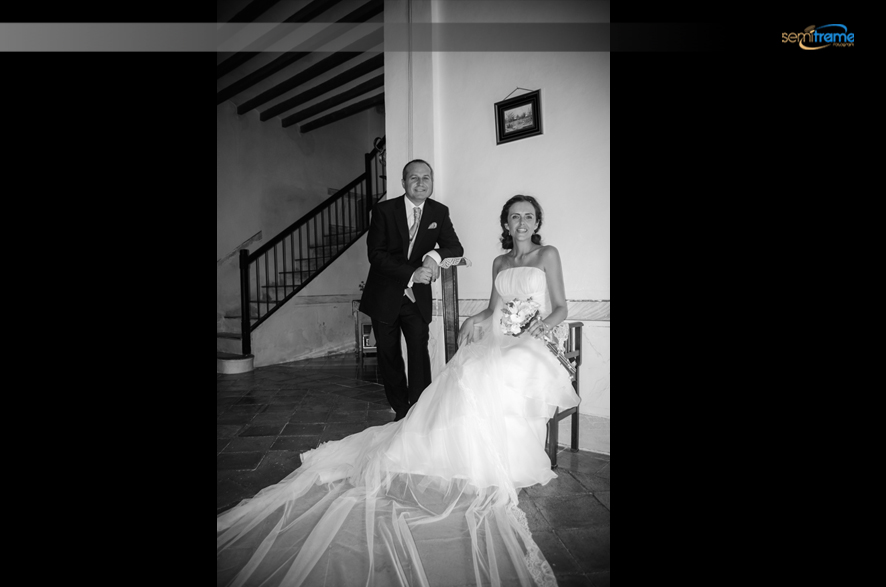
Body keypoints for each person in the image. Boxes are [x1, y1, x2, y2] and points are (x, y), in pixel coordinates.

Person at [217, 194, 580, 587]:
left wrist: (537, 328)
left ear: (536, 222)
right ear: (506, 223)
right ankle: (458, 448)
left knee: (495, 369)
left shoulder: (548, 255)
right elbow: (493, 309)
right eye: (515, 217)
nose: (522, 222)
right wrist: (473, 319)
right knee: (468, 369)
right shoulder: (500, 262)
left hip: (534, 341)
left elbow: (561, 307)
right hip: (501, 336)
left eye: (528, 216)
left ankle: (500, 453)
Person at [358, 159, 464, 421]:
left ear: (432, 182)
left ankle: (419, 410)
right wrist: (411, 273)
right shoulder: (383, 210)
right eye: (414, 178)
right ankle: (401, 409)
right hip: (384, 294)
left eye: (426, 177)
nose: (420, 183)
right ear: (403, 182)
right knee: (389, 355)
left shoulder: (439, 212)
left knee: (419, 352)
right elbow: (376, 254)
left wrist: (434, 256)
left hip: (416, 298)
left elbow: (455, 247)